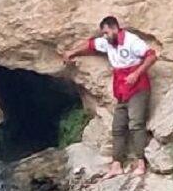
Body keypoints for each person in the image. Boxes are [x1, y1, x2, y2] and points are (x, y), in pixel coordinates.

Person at [63, 16, 157, 177]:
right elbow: (90, 45)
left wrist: (136, 73)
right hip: (121, 89)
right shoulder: (107, 42)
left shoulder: (131, 41)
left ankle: (140, 162)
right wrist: (72, 53)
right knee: (118, 127)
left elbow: (152, 56)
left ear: (115, 28)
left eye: (106, 32)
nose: (105, 36)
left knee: (136, 123)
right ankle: (116, 165)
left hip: (138, 87)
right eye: (103, 34)